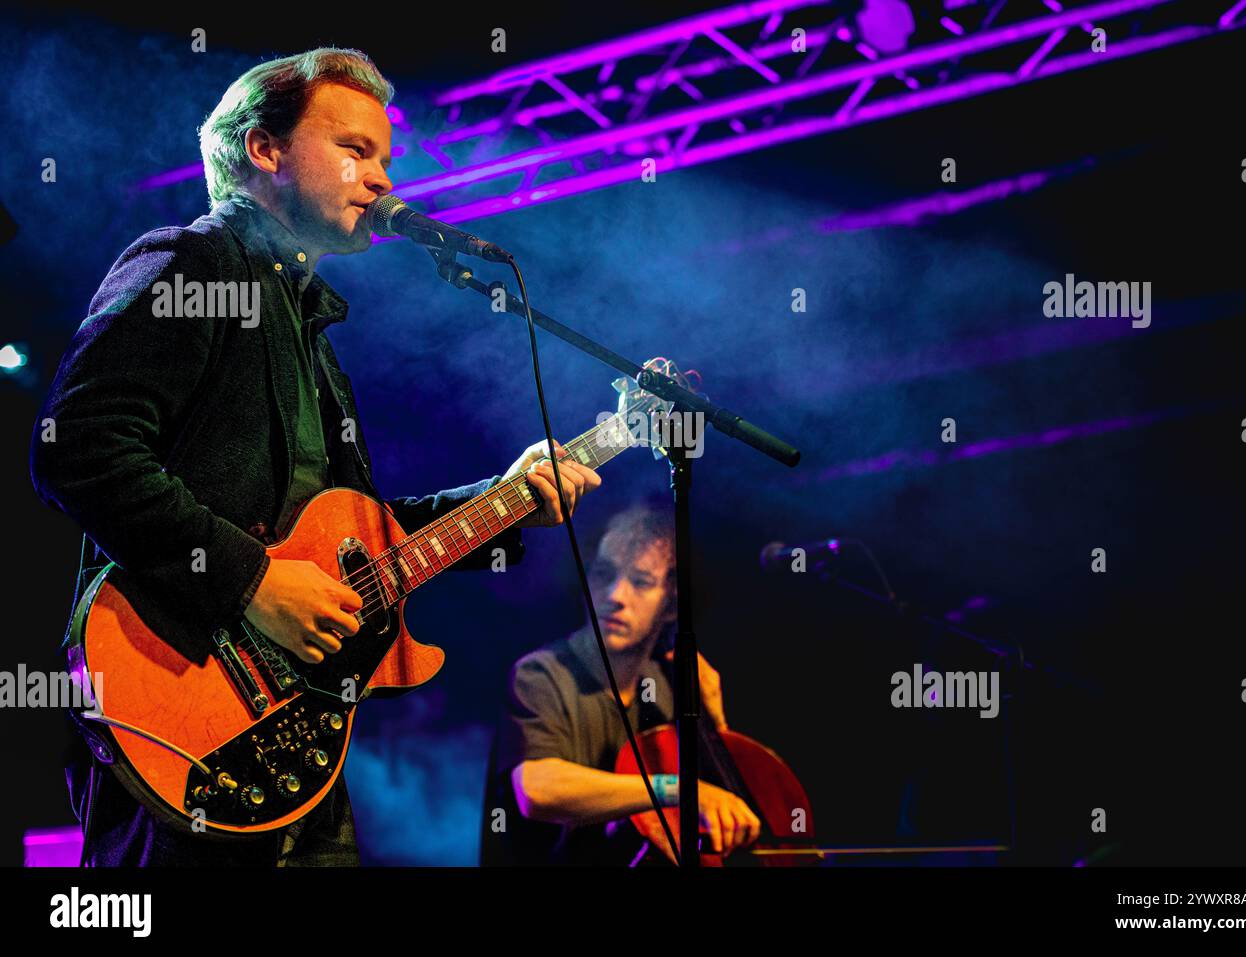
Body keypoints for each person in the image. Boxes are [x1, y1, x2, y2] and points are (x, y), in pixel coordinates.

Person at [29, 47, 601, 866]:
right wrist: (252, 580)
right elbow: (79, 450)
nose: (381, 181)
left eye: (385, 159)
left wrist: (506, 497)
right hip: (183, 714)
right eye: (353, 150)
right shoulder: (193, 263)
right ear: (264, 150)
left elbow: (352, 538)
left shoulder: (310, 332)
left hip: (297, 750)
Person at [481, 504, 760, 866]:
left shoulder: (666, 683)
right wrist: (674, 788)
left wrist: (716, 723)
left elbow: (719, 804)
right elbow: (537, 788)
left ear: (671, 606)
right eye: (603, 574)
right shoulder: (540, 674)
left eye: (640, 582)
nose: (615, 595)